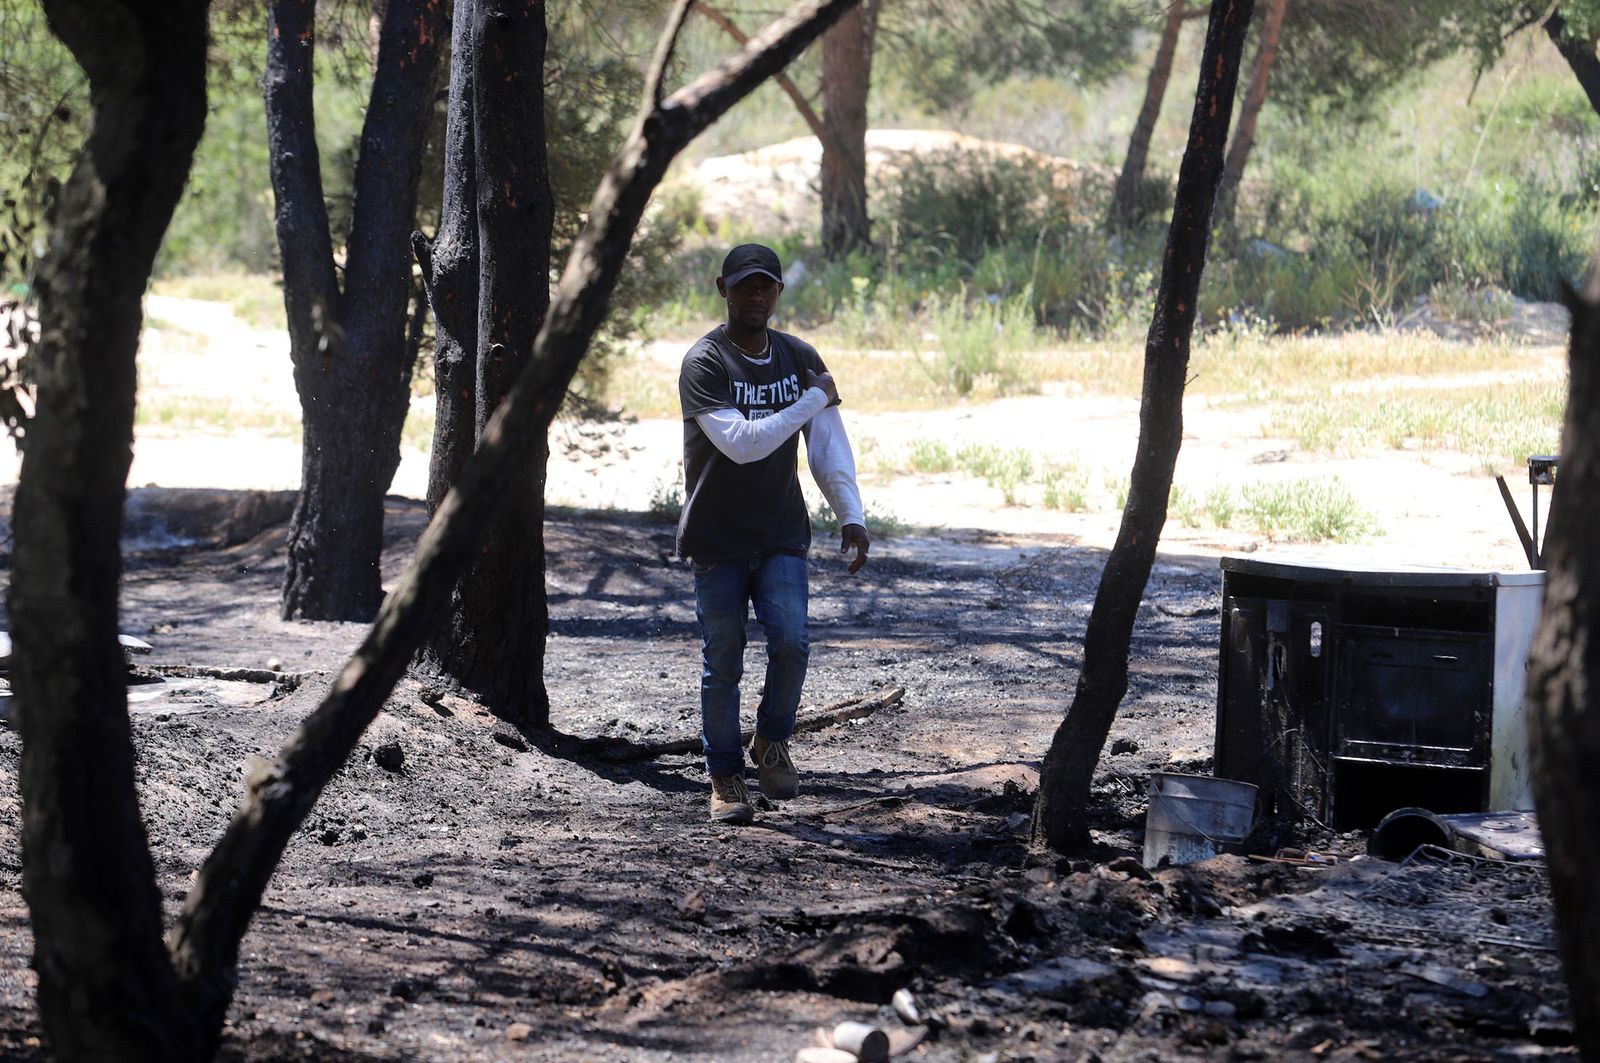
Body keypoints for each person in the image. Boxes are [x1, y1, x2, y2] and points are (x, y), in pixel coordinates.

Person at [677, 243, 870, 824]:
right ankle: (725, 777)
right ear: (723, 290)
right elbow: (742, 445)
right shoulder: (705, 362)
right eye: (744, 286)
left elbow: (828, 445)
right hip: (718, 538)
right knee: (724, 661)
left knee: (792, 642)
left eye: (766, 286)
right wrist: (812, 397)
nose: (755, 296)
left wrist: (851, 514)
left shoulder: (798, 355)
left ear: (779, 292)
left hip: (781, 532)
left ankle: (771, 739)